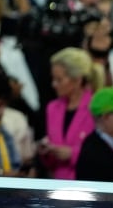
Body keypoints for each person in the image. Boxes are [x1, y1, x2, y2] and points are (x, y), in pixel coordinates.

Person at [38, 47, 105, 179]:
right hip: (58, 186)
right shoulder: (52, 108)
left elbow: (104, 153)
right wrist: (46, 152)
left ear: (77, 80)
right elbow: (51, 161)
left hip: (88, 183)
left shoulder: (97, 107)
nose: (54, 84)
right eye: (53, 79)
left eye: (59, 80)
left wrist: (72, 154)